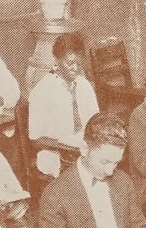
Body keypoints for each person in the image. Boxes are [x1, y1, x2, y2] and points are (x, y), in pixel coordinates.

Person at [27, 32, 98, 176]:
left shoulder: (84, 85)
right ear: (57, 60)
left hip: (82, 146)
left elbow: (95, 120)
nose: (75, 69)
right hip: (54, 151)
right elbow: (35, 139)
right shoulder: (42, 91)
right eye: (70, 63)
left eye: (79, 63)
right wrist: (68, 147)